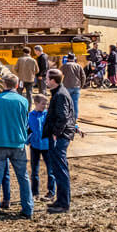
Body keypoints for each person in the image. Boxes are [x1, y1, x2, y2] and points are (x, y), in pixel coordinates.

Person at [0, 73, 33, 219]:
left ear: (4, 84)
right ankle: (28, 208)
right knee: (23, 177)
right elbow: (25, 120)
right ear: (17, 85)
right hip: (17, 142)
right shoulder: (23, 101)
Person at [43, 68, 76, 214]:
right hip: (60, 136)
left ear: (53, 81)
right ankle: (60, 200)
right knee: (57, 169)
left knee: (61, 170)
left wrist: (56, 133)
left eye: (47, 78)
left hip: (60, 138)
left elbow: (63, 117)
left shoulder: (60, 95)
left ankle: (63, 204)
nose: (45, 80)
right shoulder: (59, 93)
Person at [27, 93, 54, 201]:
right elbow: (27, 130)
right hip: (35, 147)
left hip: (47, 146)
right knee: (34, 171)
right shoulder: (30, 116)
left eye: (46, 104)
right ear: (36, 103)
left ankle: (51, 192)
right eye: (43, 104)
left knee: (51, 171)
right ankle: (35, 193)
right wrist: (27, 141)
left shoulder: (48, 115)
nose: (45, 106)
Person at [60, 53, 84, 119]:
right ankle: (74, 118)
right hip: (77, 87)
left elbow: (59, 74)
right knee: (75, 103)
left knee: (66, 103)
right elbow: (83, 77)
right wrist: (81, 85)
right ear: (74, 59)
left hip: (67, 87)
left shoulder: (65, 66)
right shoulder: (78, 66)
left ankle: (66, 117)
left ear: (67, 58)